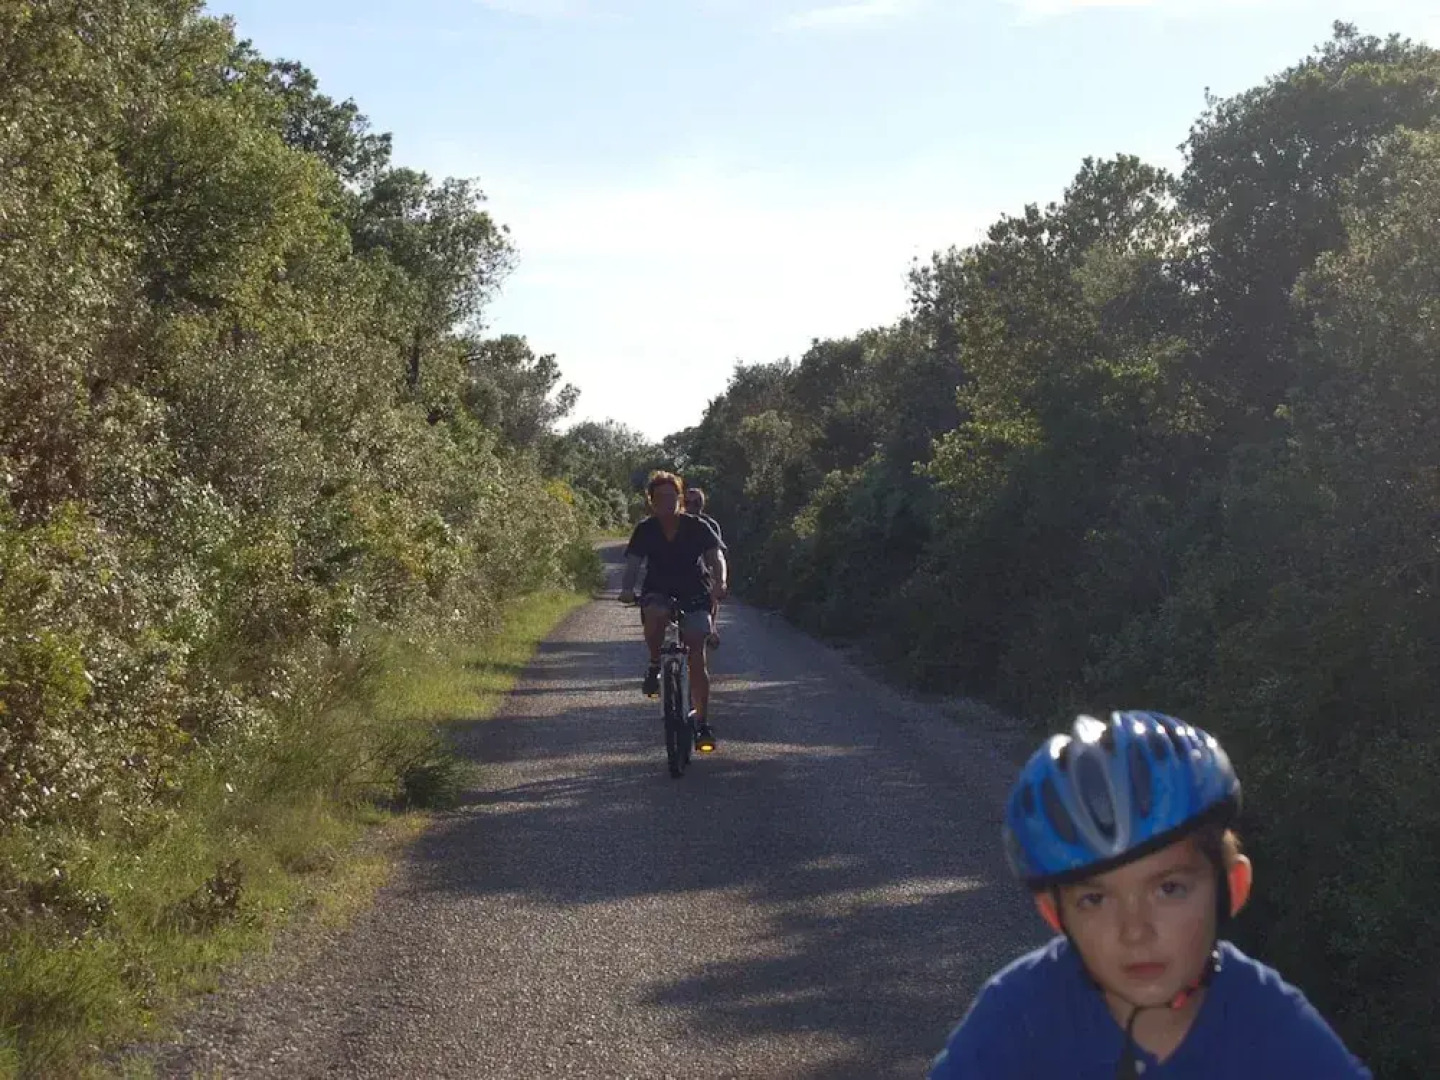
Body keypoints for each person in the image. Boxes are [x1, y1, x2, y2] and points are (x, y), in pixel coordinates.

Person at [929, 710, 1371, 1080]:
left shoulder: (1276, 1031)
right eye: (1095, 900)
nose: (1135, 931)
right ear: (1054, 915)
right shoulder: (1017, 1017)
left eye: (1169, 889)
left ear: (1231, 889)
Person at [618, 471, 727, 751]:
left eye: (672, 497)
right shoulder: (646, 529)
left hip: (695, 590)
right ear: (651, 502)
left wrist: (721, 581)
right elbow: (632, 563)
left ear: (679, 499)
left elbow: (716, 557)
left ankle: (702, 723)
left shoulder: (697, 526)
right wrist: (627, 588)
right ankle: (655, 664)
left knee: (696, 647)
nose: (667, 502)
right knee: (654, 614)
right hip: (659, 588)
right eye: (660, 497)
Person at [683, 486, 724, 648]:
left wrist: (718, 578)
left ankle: (711, 627)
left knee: (711, 592)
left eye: (696, 502)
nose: (692, 506)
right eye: (688, 502)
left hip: (705, 567)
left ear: (702, 504)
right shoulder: (676, 522)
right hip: (683, 567)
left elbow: (716, 552)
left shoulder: (710, 525)